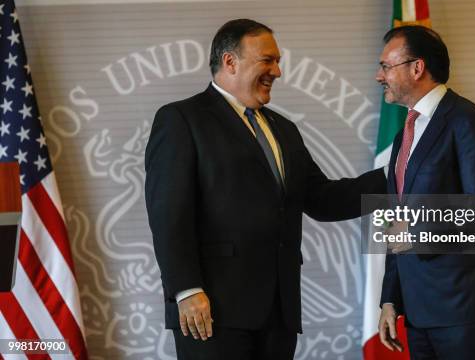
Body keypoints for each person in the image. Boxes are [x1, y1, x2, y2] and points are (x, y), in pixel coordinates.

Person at [144, 18, 386, 360]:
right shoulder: (182, 119)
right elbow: (168, 214)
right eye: (268, 60)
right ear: (230, 61)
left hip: (278, 312)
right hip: (212, 310)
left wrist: (395, 175)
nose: (277, 71)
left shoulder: (283, 129)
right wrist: (186, 289)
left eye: (278, 62)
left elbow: (323, 199)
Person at [376, 25, 475, 359]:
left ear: (417, 67)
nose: (379, 76)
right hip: (418, 310)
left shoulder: (465, 119)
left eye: (385, 66)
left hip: (464, 306)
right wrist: (390, 298)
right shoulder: (402, 137)